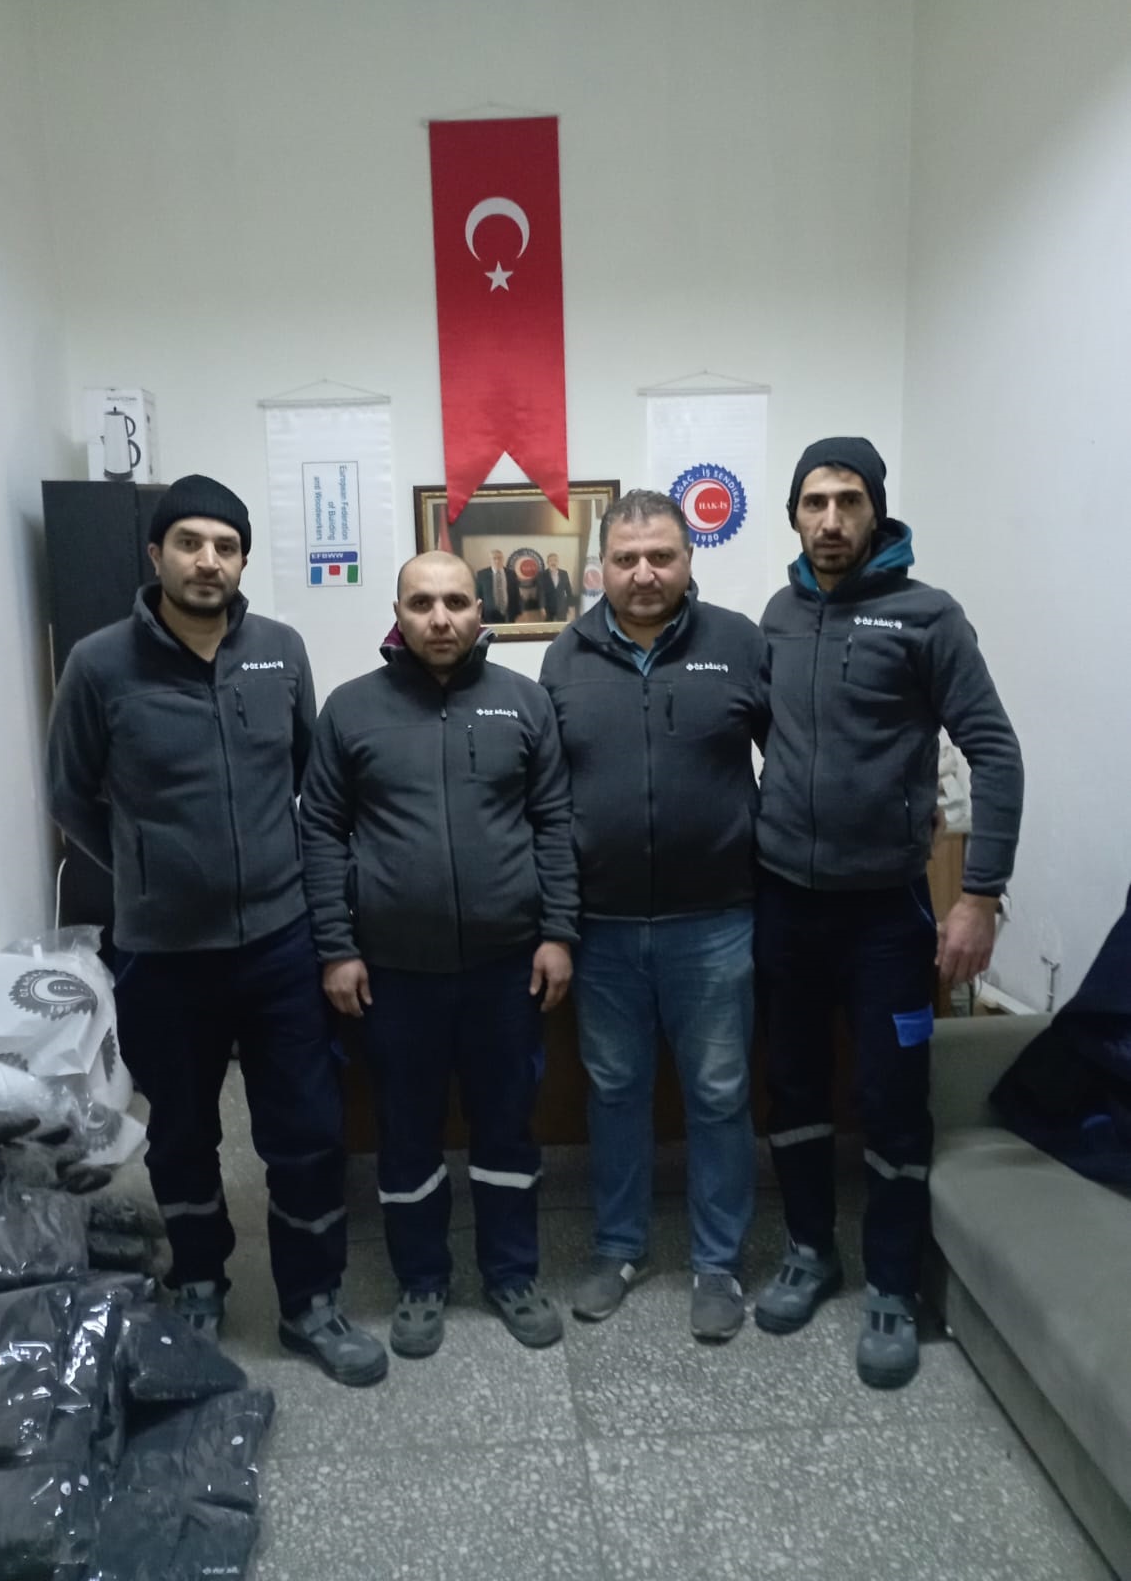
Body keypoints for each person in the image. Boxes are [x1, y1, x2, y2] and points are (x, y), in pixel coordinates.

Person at [46, 473, 386, 1387]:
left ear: (242, 561)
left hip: (280, 941)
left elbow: (310, 777)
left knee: (306, 1132)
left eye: (226, 547)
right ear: (155, 555)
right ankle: (199, 1281)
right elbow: (69, 794)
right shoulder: (99, 664)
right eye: (190, 543)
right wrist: (144, 869)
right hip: (162, 954)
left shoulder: (280, 650)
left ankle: (311, 1301)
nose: (208, 561)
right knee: (185, 1134)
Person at [753, 436, 1023, 1388]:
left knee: (892, 1097)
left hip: (886, 916)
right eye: (814, 502)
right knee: (791, 1085)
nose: (831, 520)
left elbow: (995, 751)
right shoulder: (778, 614)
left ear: (877, 512)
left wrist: (979, 894)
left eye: (849, 501)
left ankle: (893, 1284)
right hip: (786, 905)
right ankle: (810, 1251)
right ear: (794, 515)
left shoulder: (928, 616)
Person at [299, 550, 579, 1358]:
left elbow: (555, 821)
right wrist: (336, 947)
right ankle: (422, 1280)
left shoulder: (523, 702)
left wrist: (558, 932)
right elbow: (321, 831)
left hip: (506, 965)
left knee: (507, 1127)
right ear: (398, 612)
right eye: (422, 603)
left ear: (480, 609)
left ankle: (512, 1272)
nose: (440, 618)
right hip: (394, 971)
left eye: (456, 601)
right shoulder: (351, 710)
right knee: (407, 1132)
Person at [539, 490, 769, 1343]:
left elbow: (794, 758)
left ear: (688, 559)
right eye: (626, 558)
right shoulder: (565, 656)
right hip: (602, 927)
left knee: (719, 1092)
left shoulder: (739, 643)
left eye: (661, 556)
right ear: (599, 566)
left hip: (716, 921)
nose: (644, 573)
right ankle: (619, 1247)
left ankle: (718, 1261)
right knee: (613, 1090)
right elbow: (548, 799)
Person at [475, 547, 519, 623]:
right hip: (489, 614)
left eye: (499, 558)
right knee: (491, 631)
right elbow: (478, 595)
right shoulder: (482, 574)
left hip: (509, 613)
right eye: (494, 558)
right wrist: (479, 613)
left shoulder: (511, 574)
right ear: (490, 560)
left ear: (503, 559)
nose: (497, 561)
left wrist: (518, 612)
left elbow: (516, 593)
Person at [541, 552, 575, 622]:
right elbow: (541, 593)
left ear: (558, 562)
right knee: (548, 627)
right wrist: (542, 607)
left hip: (562, 607)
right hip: (548, 608)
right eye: (551, 560)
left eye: (555, 560)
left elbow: (569, 591)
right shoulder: (543, 575)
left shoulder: (564, 573)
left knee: (562, 627)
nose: (553, 562)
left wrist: (571, 606)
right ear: (547, 562)